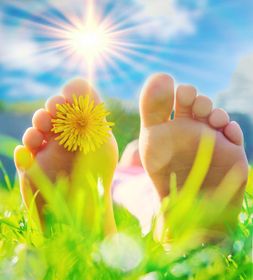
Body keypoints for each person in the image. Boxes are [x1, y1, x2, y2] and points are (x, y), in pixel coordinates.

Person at [14, 74, 249, 241]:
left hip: (135, 184)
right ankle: (194, 234)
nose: (137, 155)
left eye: (140, 155)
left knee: (141, 192)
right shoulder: (119, 173)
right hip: (123, 183)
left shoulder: (135, 175)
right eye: (135, 153)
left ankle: (78, 236)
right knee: (138, 195)